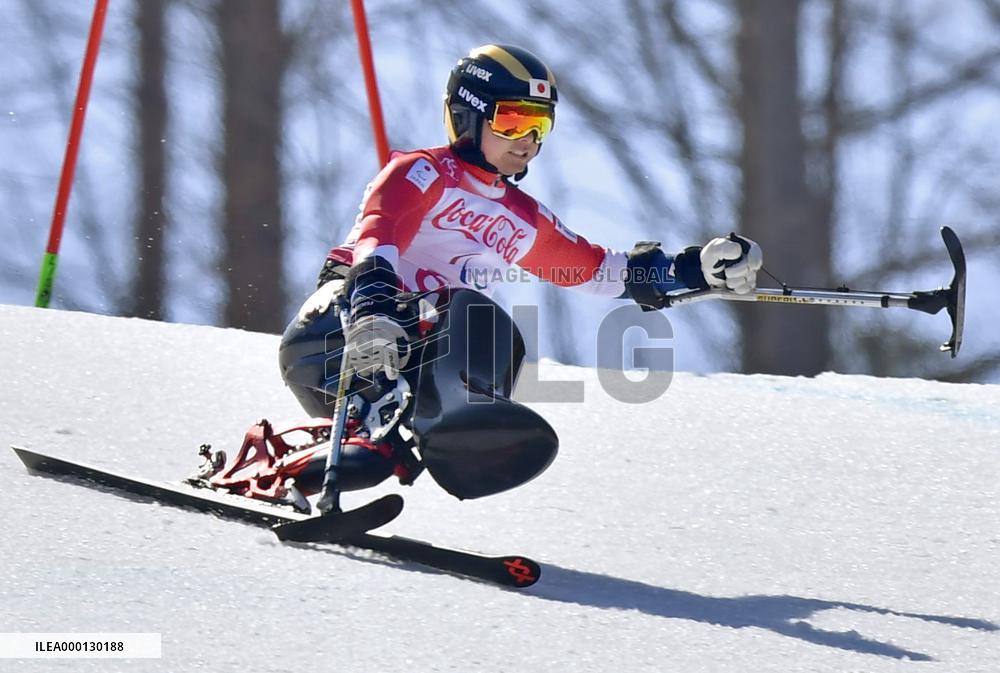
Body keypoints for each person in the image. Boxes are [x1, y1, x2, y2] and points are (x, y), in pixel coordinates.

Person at [275, 44, 763, 511]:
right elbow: (378, 235)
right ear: (468, 116)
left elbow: (598, 271)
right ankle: (392, 431)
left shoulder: (523, 217)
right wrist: (372, 312)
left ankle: (453, 434)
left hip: (414, 358)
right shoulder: (422, 172)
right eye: (512, 120)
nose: (527, 140)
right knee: (470, 311)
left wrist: (696, 269)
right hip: (340, 335)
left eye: (539, 124)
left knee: (492, 334)